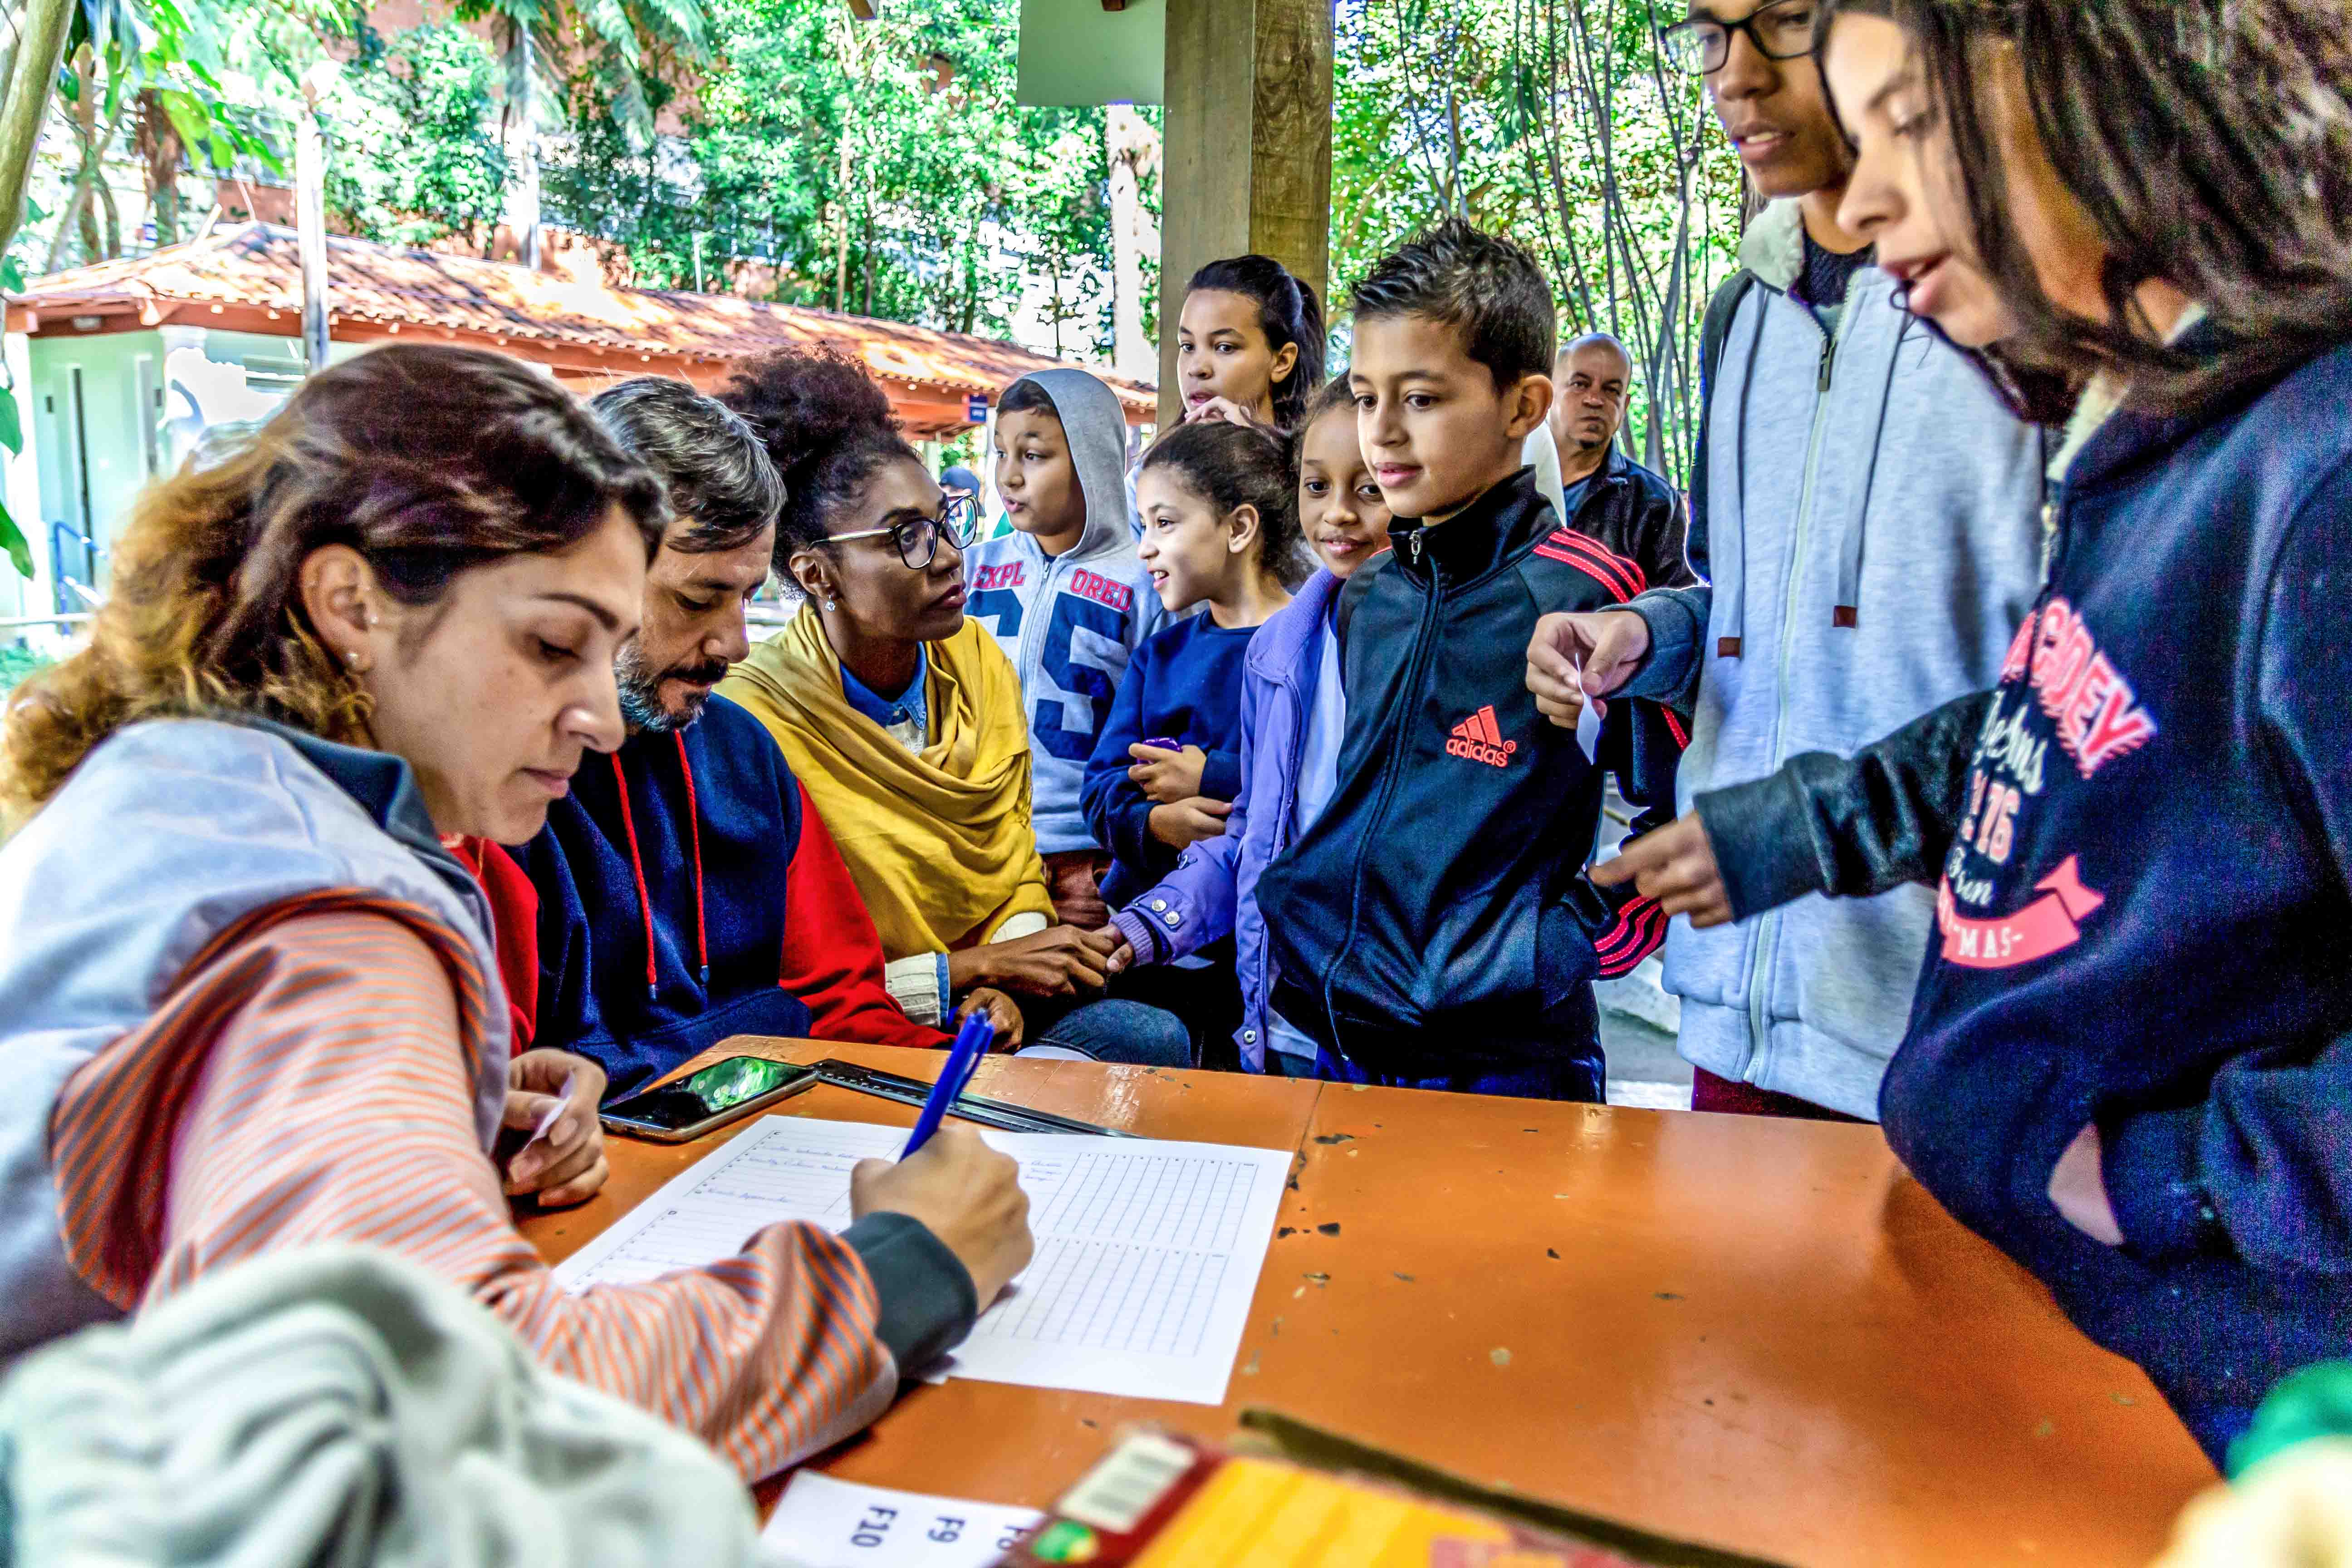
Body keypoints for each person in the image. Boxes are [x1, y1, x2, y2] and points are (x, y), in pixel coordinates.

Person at [0, 344, 1034, 1482]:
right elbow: (478, 1422)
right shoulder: (327, 926)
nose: (603, 717)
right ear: (349, 604)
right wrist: (903, 1268)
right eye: (552, 645)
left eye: (606, 645)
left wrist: (444, 1120)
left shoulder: (171, 791)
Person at [1603, 0, 2352, 1462]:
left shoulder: (2315, 475)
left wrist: (2173, 1180)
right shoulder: (2164, 446)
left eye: (1913, 126)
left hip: (2233, 1406)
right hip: (2065, 1325)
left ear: (2109, 81)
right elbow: (2060, 736)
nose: (1871, 195)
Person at [1524, 0, 2045, 1121]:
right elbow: (1741, 596)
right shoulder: (1742, 311)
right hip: (1732, 988)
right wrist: (1650, 634)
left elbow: (2086, 678)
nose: (1737, 74)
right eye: (1708, 32)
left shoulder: (2027, 303)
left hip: (1946, 1013)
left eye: (1783, 22)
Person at [1254, 222, 1684, 1102]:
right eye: (1366, 398)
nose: (1382, 433)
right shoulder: (1368, 597)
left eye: (1420, 399)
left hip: (1511, 1067)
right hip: (1342, 1038)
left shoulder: (1591, 599)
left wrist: (1554, 945)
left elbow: (1682, 810)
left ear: (1524, 408)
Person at [508, 378, 1006, 1095]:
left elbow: (841, 1005)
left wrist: (968, 1093)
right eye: (697, 599)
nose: (736, 644)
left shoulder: (744, 754)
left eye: (746, 598)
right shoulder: (494, 781)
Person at [715, 349, 1189, 1067]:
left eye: (946, 521)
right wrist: (966, 974)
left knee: (1151, 1035)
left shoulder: (976, 660)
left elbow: (1015, 870)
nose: (946, 557)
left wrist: (1007, 980)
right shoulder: (754, 722)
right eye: (905, 537)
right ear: (817, 574)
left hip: (990, 1007)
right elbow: (780, 983)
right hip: (852, 1031)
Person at [1107, 376, 1393, 1078]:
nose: (1338, 513)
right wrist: (1150, 923)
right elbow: (1257, 835)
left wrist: (1209, 775)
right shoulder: (1281, 653)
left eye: (1371, 488)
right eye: (1316, 486)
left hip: (1399, 1021)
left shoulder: (1438, 650)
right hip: (1283, 1012)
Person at [1082, 419, 1303, 1056]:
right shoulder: (1160, 655)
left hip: (1261, 955)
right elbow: (1101, 789)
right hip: (1144, 941)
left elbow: (1317, 781)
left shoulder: (1310, 649)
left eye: (1165, 524)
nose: (1145, 549)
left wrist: (1212, 777)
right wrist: (1157, 824)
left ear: (1239, 528)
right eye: (1142, 526)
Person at [962, 370, 1166, 930]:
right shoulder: (972, 569)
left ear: (1094, 462)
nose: (1009, 476)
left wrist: (1121, 869)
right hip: (978, 851)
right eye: (1001, 453)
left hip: (1090, 862)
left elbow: (1163, 733)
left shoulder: (1150, 582)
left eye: (1034, 455)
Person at [1544, 332, 1696, 594]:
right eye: (1580, 384)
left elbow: (1675, 604)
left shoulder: (1655, 504)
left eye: (1611, 390)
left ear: (1625, 405)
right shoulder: (1509, 477)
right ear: (1549, 392)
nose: (1595, 400)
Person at [1176, 255, 1327, 430]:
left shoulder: (1318, 447)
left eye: (1225, 348)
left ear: (1282, 362)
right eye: (1188, 346)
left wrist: (1253, 443)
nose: (1196, 369)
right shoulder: (1166, 448)